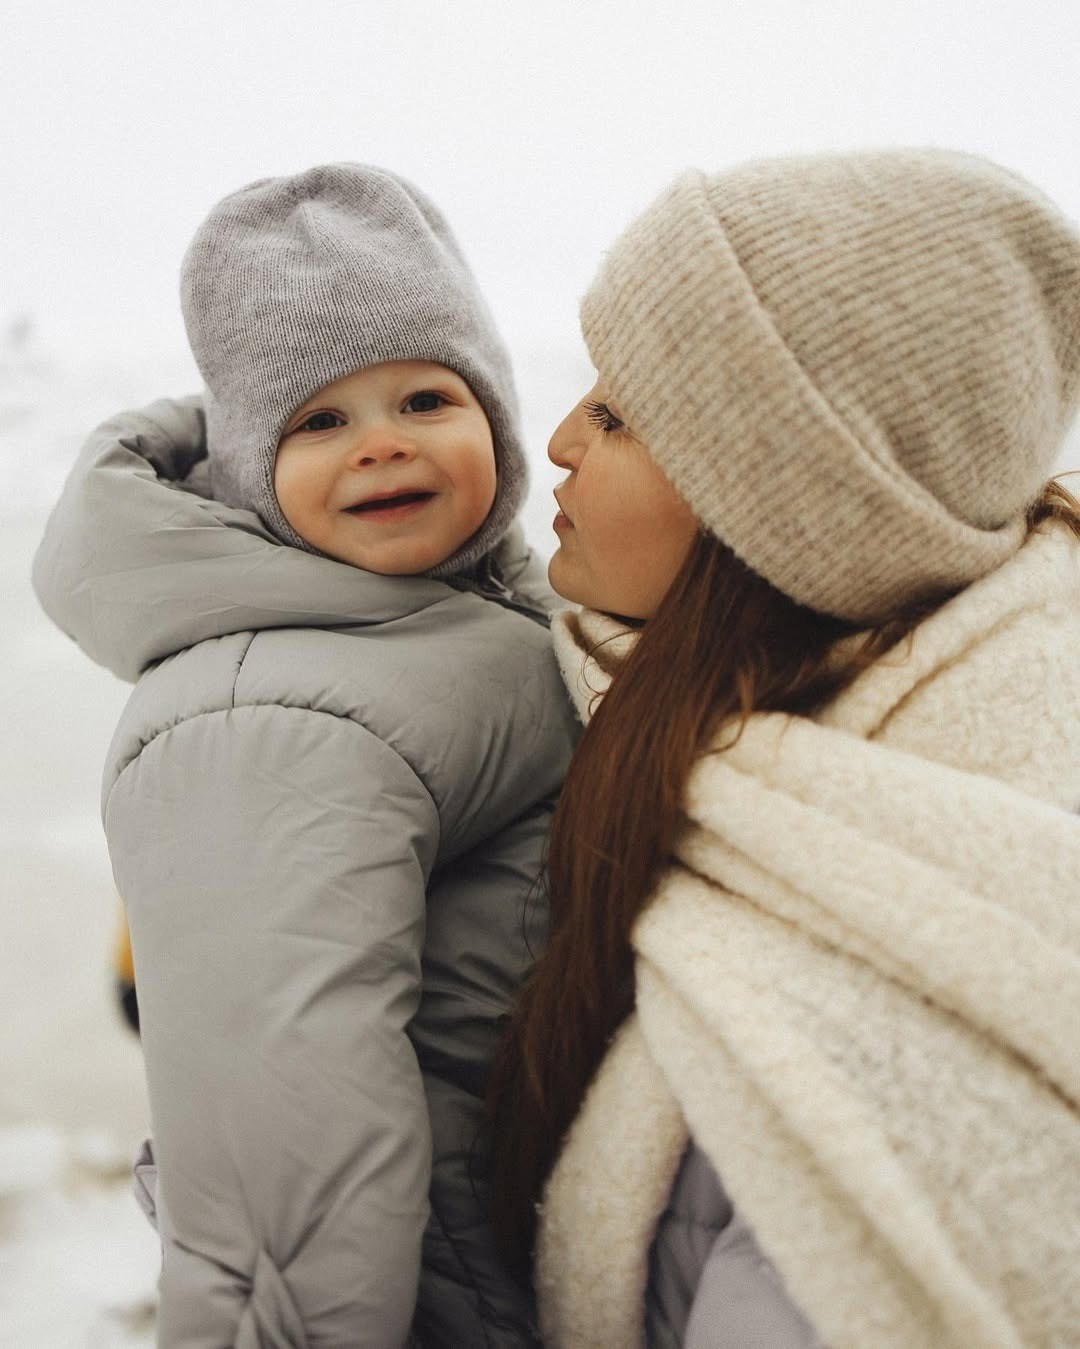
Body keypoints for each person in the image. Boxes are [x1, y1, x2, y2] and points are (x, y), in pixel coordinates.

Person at [487, 149, 1080, 1347]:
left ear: (775, 507)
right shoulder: (735, 736)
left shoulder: (871, 1034)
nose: (556, 440)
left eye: (616, 414)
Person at [32, 164, 577, 1347]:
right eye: (318, 420)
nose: (379, 445)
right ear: (246, 467)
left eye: (426, 398)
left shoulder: (491, 614)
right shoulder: (262, 706)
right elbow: (282, 1163)